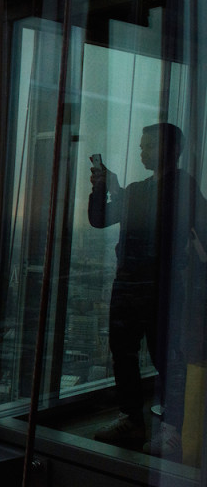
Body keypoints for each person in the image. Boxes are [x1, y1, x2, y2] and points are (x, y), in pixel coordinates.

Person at [89, 122, 204, 458]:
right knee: (124, 352)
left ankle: (170, 429)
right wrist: (102, 189)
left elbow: (152, 214)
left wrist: (113, 189)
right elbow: (102, 218)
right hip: (131, 282)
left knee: (164, 356)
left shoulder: (181, 186)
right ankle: (136, 419)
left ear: (170, 149)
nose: (141, 152)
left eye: (149, 146)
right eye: (141, 146)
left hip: (157, 284)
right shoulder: (143, 189)